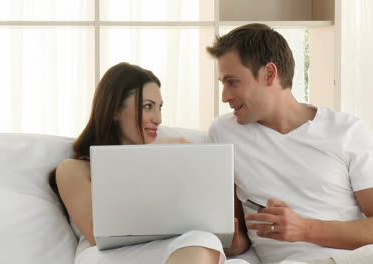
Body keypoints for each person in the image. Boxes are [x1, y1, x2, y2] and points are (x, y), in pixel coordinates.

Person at [206, 23, 373, 264]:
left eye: (232, 82)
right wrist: (231, 243)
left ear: (269, 74)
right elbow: (237, 232)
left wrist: (304, 229)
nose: (225, 96)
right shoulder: (224, 133)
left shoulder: (346, 131)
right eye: (223, 83)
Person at [49, 62, 247, 264]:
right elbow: (96, 233)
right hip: (106, 256)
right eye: (147, 106)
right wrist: (155, 152)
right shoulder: (73, 169)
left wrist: (229, 238)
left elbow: (228, 244)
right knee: (199, 239)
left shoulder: (170, 166)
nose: (158, 119)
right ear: (114, 110)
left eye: (159, 108)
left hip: (171, 251)